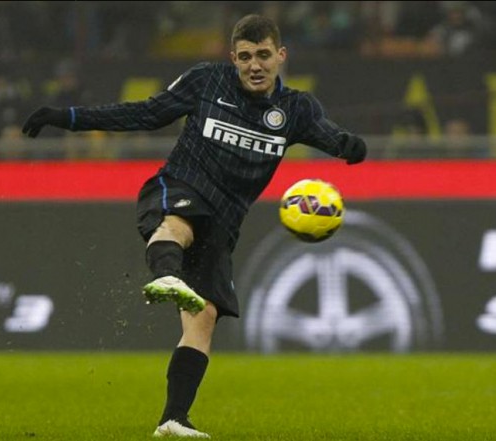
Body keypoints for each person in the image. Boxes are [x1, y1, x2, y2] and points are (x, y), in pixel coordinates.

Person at [21, 14, 366, 439]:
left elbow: (333, 138)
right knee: (178, 225)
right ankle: (166, 273)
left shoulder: (295, 109)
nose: (254, 65)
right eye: (245, 57)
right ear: (233, 58)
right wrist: (68, 117)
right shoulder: (207, 81)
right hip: (182, 184)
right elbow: (146, 113)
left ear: (281, 55)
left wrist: (352, 147)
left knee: (203, 316)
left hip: (225, 219)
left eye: (262, 55)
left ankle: (173, 420)